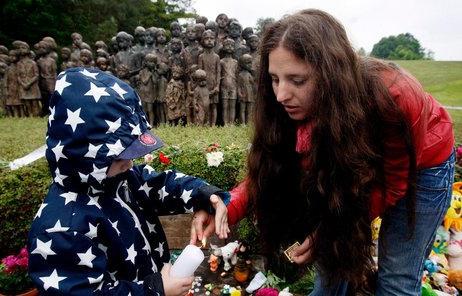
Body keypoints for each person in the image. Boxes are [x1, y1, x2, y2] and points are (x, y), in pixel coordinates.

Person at [191, 9, 455, 296]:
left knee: (396, 280)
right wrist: (228, 207)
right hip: (349, 166)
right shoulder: (287, 105)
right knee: (331, 259)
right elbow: (269, 171)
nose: (280, 95)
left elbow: (390, 183)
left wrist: (331, 231)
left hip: (422, 166)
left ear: (331, 75)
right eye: (275, 79)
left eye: (297, 80)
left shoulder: (395, 95)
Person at [27, 67, 230, 295]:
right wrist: (155, 289)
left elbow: (159, 184)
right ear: (86, 156)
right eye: (120, 156)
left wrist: (203, 195)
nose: (131, 164)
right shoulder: (63, 231)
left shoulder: (114, 178)